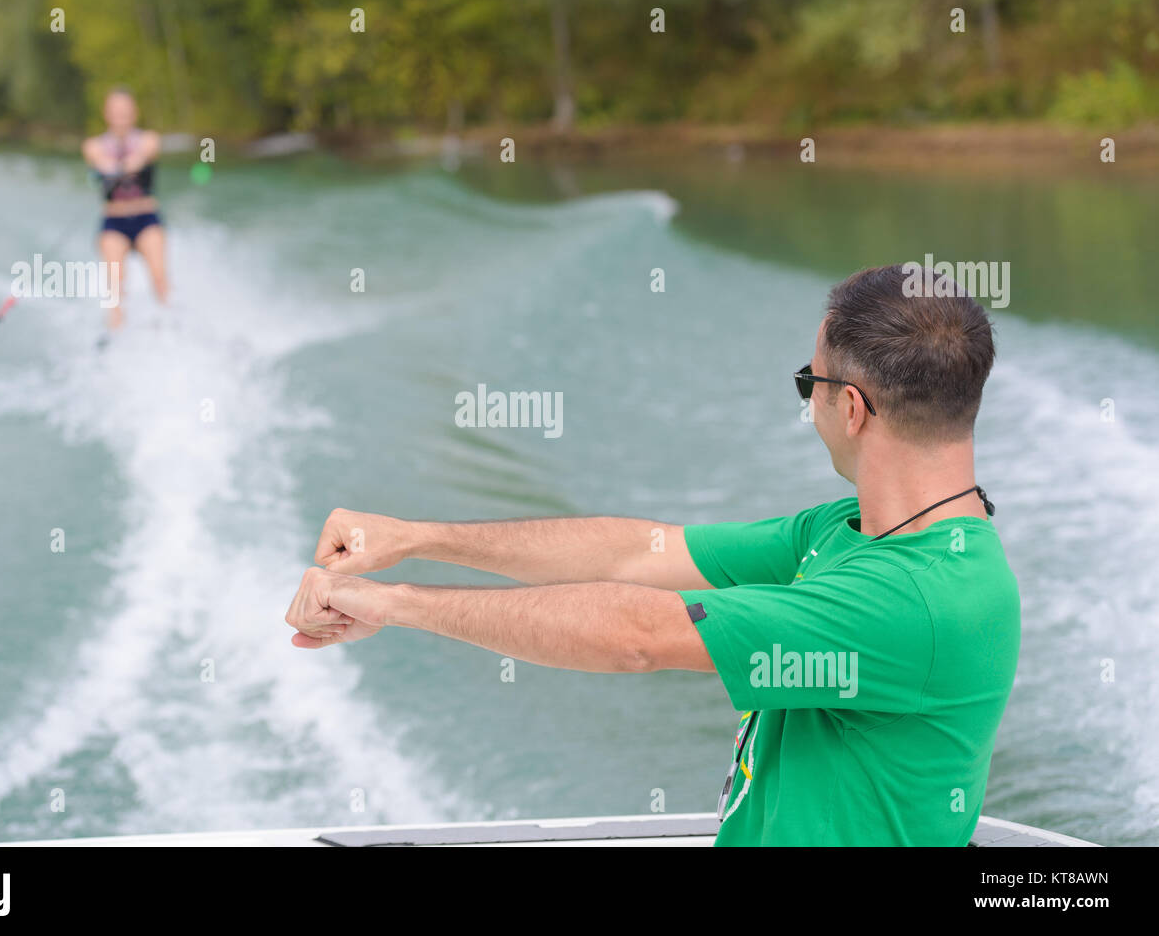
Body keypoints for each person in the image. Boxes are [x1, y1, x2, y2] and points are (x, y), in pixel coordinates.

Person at [283, 264, 1020, 847]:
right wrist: (417, 538)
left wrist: (395, 604)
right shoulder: (853, 529)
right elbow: (643, 551)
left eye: (810, 384)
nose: (809, 404)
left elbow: (638, 635)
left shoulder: (915, 600)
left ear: (852, 408)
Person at [81, 87, 168, 330]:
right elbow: (98, 159)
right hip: (114, 222)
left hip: (146, 218)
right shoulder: (94, 145)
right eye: (116, 110)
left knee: (160, 278)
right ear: (106, 114)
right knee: (116, 286)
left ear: (134, 112)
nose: (121, 115)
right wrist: (110, 166)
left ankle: (172, 325)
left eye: (125, 110)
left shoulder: (148, 139)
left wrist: (133, 161)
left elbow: (147, 152)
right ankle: (116, 335)